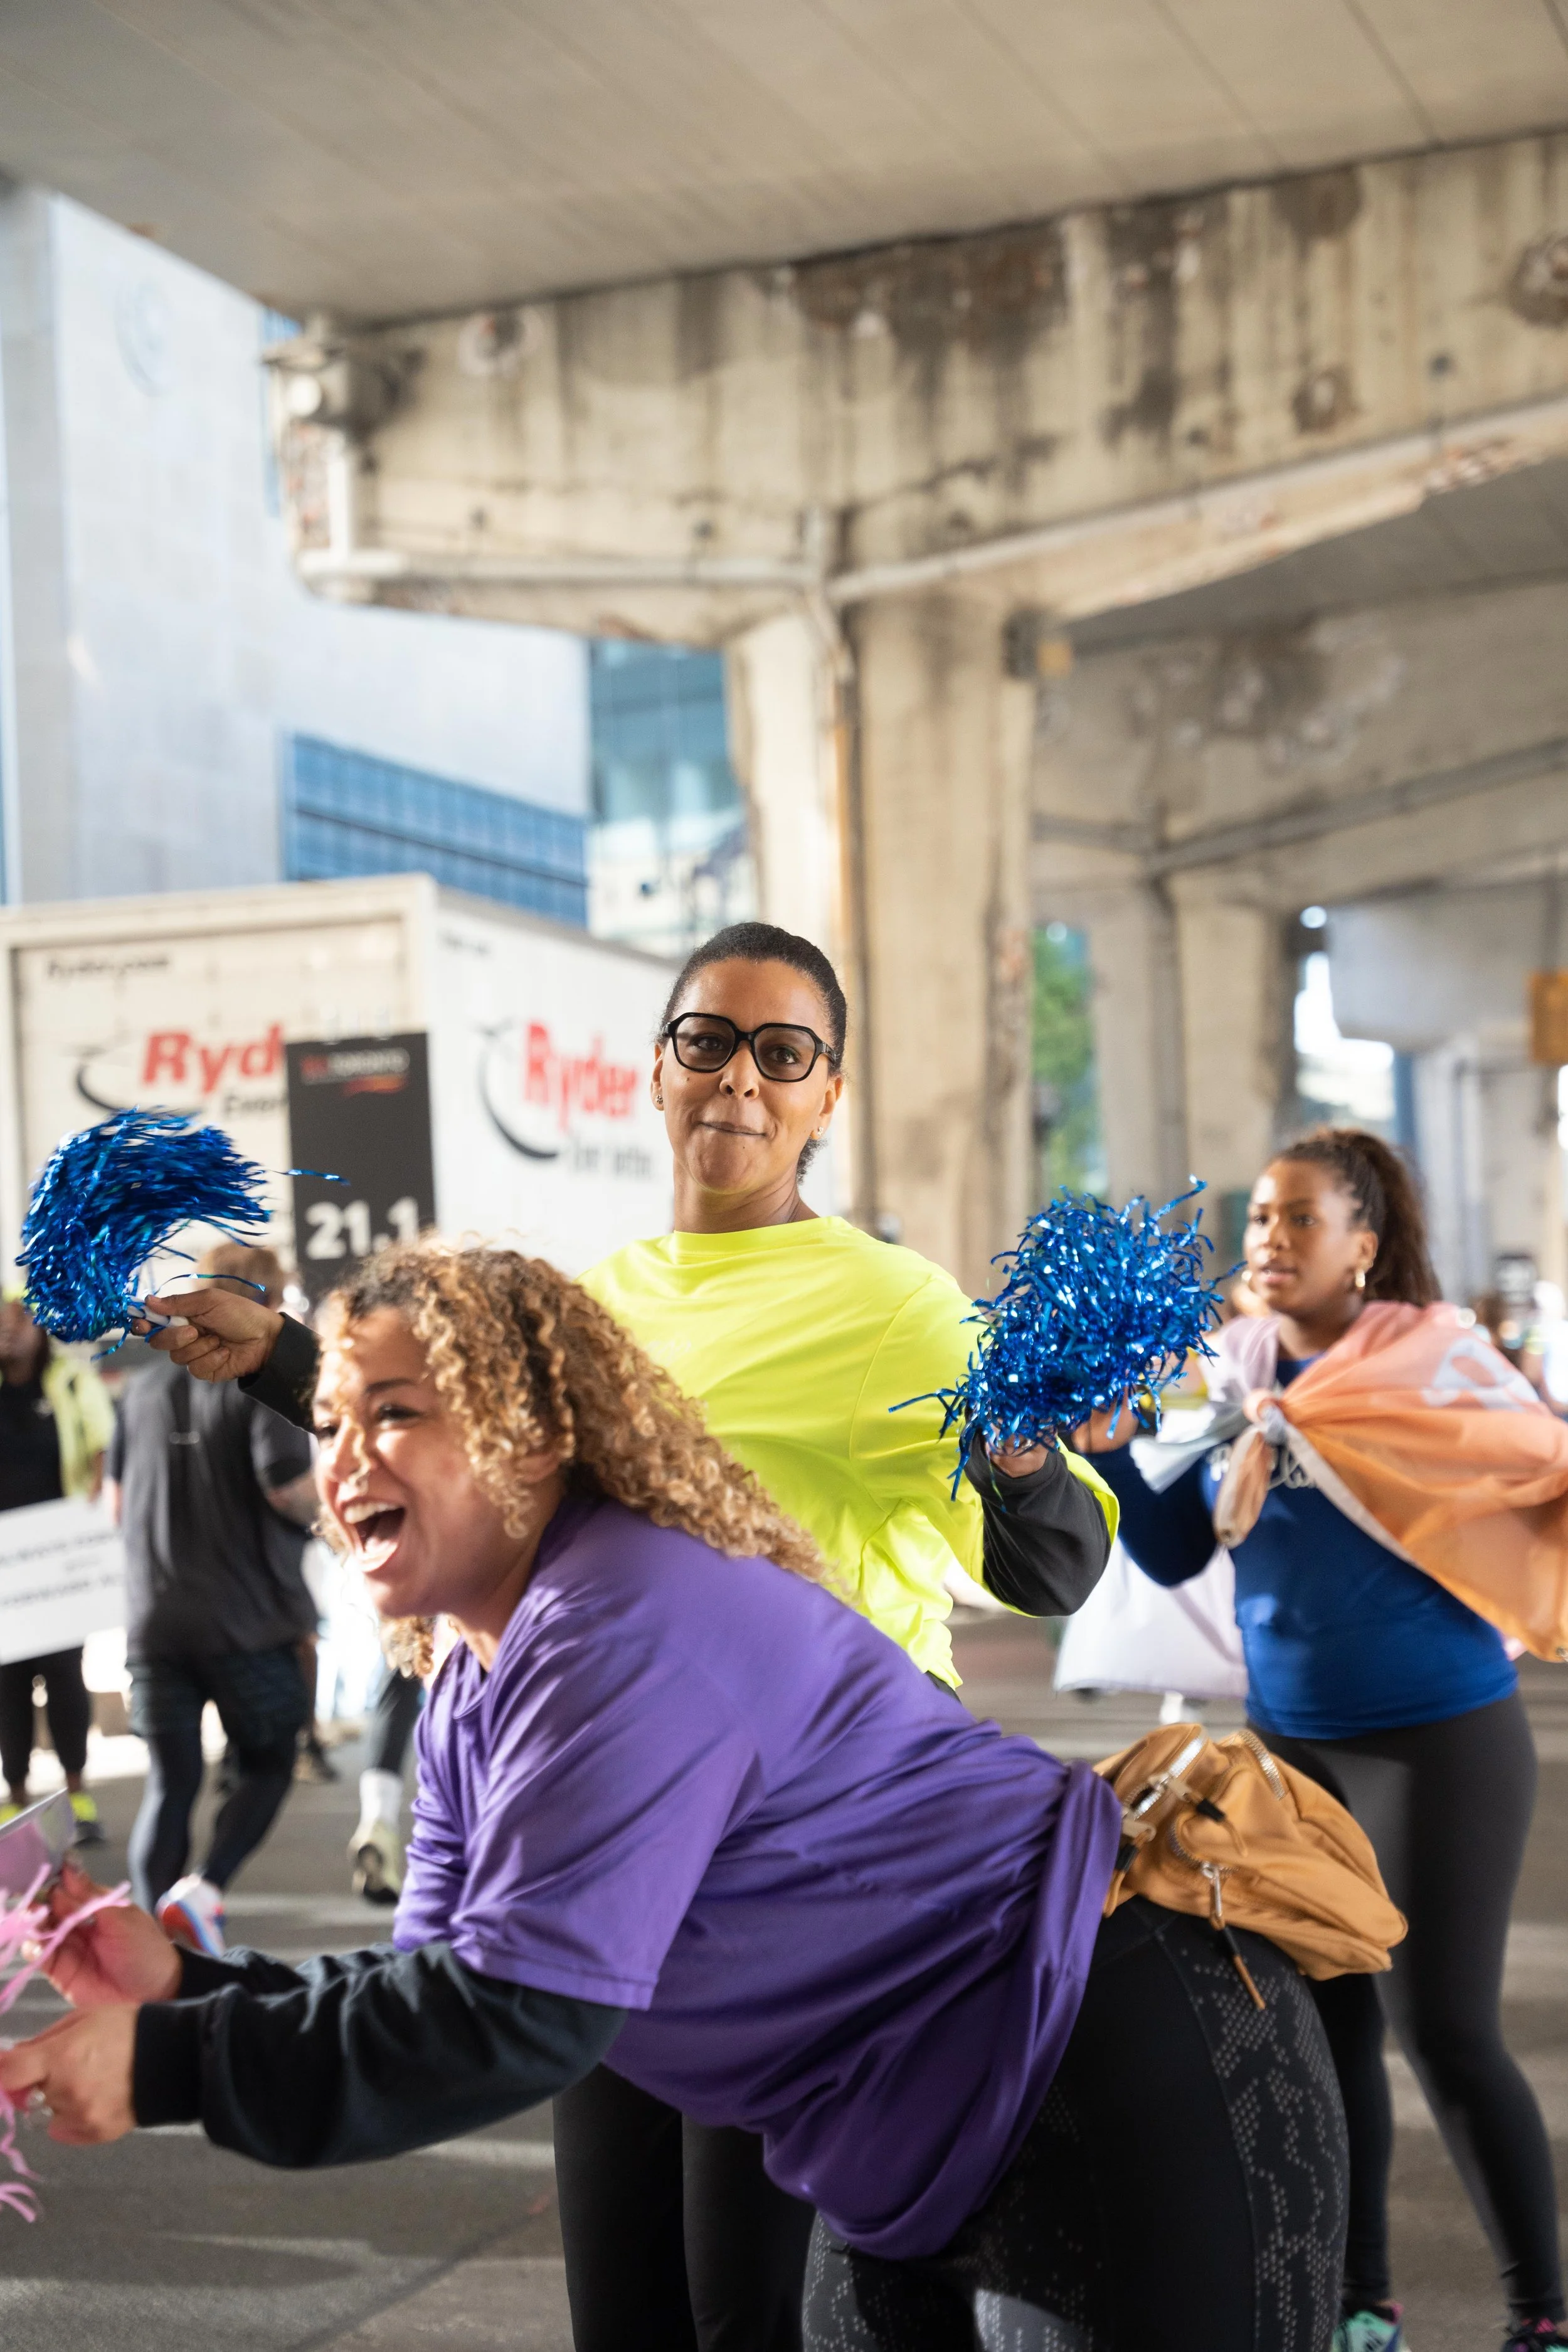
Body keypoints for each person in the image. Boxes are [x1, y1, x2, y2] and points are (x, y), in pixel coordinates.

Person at [1, 1241, 1352, 2352]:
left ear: (531, 1443)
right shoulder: (474, 1676)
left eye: (397, 1415)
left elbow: (517, 2020)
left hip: (1115, 2063)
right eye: (337, 1423)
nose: (345, 1460)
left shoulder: (621, 1618)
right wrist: (186, 1987)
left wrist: (173, 2067)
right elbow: (439, 1985)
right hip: (907, 2148)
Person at [563, 919, 1120, 2352]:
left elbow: (1053, 1562)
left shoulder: (893, 1308)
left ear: (827, 1094)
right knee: (619, 2307)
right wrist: (279, 1359)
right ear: (658, 1068)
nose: (737, 1077)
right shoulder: (597, 1301)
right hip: (618, 1860)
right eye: (708, 1040)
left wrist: (1016, 1454)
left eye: (781, 1051)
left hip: (808, 1866)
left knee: (752, 2310)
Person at [1076, 1128, 1567, 2352]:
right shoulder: (1241, 1382)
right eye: (1254, 1219)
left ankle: (1541, 2315)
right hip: (1288, 1749)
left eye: (1299, 1218)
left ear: (1364, 1244)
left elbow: (1534, 1461)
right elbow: (1177, 1549)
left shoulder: (1429, 1361)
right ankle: (1359, 2306)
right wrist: (1109, 1460)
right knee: (1322, 2031)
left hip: (1439, 1746)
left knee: (1445, 2033)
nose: (1268, 1239)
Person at [106, 1243, 319, 1954]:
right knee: (265, 1764)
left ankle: (145, 1951)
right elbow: (286, 1488)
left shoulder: (136, 1392)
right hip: (248, 1623)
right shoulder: (254, 1383)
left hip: (154, 1624)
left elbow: (114, 1507)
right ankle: (205, 1888)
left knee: (169, 1786)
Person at [0, 1291, 114, 1843]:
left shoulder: (70, 1383)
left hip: (57, 1563)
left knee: (66, 1678)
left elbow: (102, 1449)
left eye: (19, 1317)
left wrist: (90, 1516)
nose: (9, 1329)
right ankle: (14, 1800)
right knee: (8, 1684)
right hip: (5, 1570)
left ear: (40, 1327)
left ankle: (78, 1795)